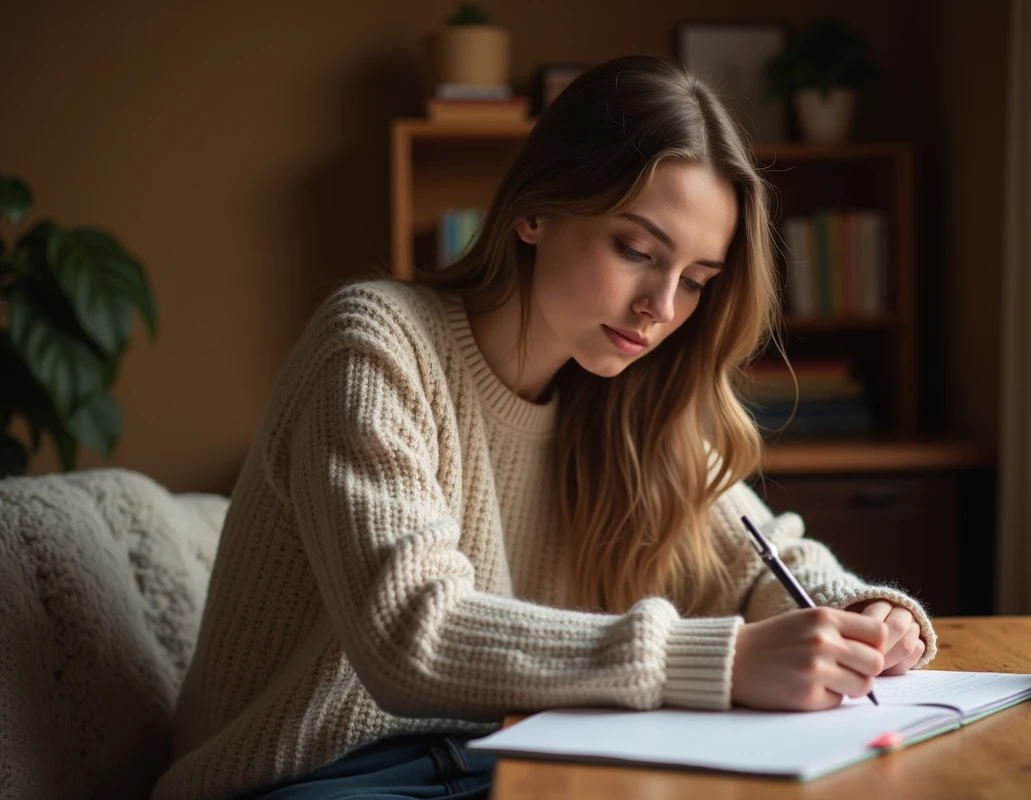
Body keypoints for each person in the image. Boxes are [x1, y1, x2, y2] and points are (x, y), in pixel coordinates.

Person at [152, 54, 936, 800]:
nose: (661, 309)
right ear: (535, 212)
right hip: (315, 776)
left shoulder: (625, 395)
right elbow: (411, 635)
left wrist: (863, 614)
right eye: (635, 249)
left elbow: (759, 561)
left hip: (503, 759)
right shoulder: (373, 345)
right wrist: (722, 661)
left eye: (696, 281)